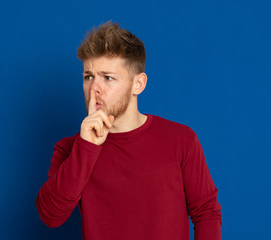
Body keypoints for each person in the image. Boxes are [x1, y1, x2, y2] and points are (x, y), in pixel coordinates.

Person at [36, 21, 222, 240]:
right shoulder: (70, 148)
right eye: (88, 77)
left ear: (138, 84)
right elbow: (51, 216)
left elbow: (206, 212)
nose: (94, 88)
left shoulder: (181, 140)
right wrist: (86, 148)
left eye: (108, 78)